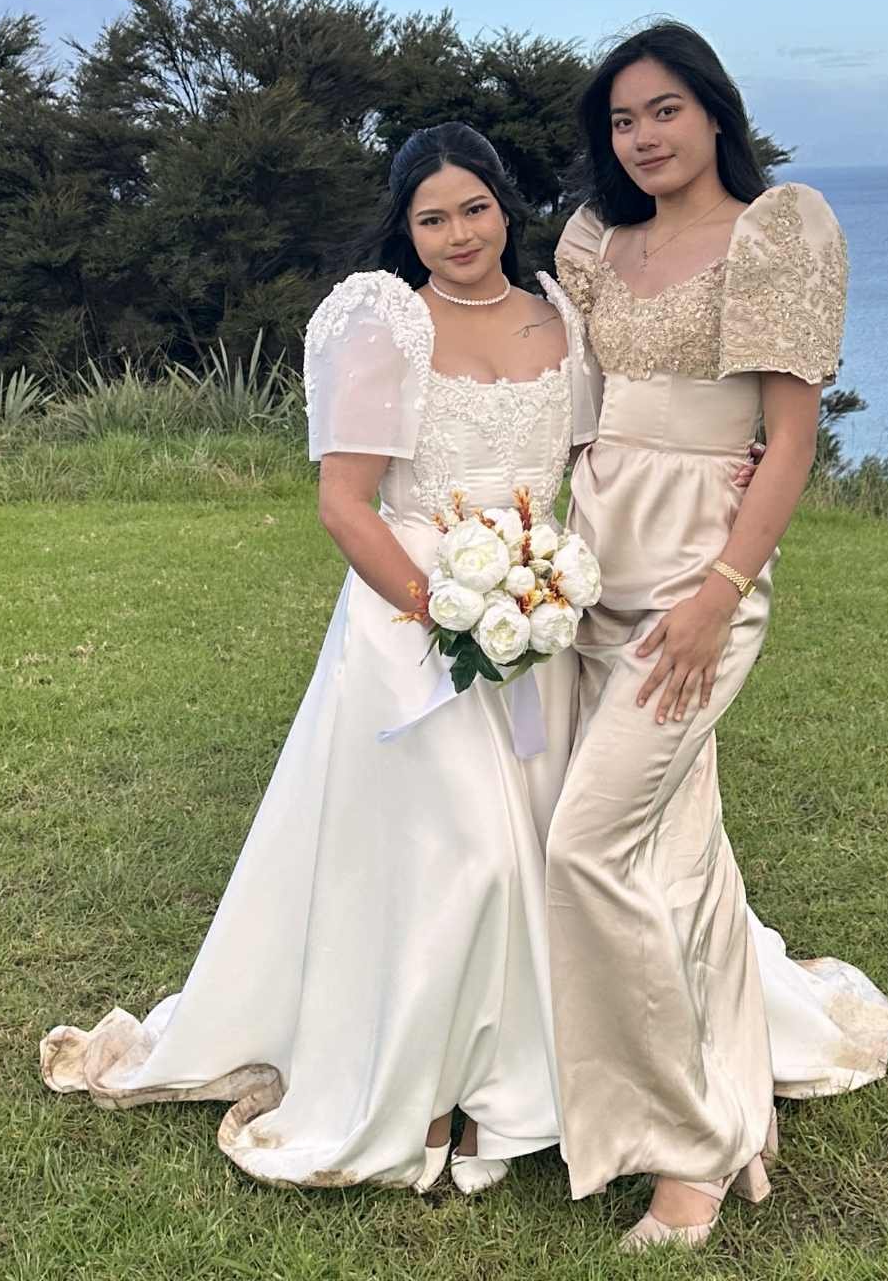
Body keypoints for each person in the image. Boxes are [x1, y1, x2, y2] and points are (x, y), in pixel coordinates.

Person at [40, 123, 598, 1191]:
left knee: (544, 848)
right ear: (406, 228)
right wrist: (444, 611)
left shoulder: (558, 314)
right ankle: (423, 1079)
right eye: (431, 218)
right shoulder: (388, 324)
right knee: (466, 859)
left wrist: (557, 579)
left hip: (539, 613)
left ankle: (525, 1074)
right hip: (414, 619)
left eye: (474, 208)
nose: (458, 234)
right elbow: (345, 504)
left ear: (504, 204)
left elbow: (595, 459)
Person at [549, 22, 888, 1252]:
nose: (643, 136)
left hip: (701, 573)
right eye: (623, 120)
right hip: (594, 560)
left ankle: (688, 1149)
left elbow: (790, 437)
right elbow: (571, 402)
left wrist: (722, 586)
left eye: (664, 110)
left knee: (586, 843)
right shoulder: (595, 245)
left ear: (713, 111)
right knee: (683, 852)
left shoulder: (775, 233)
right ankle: (737, 1103)